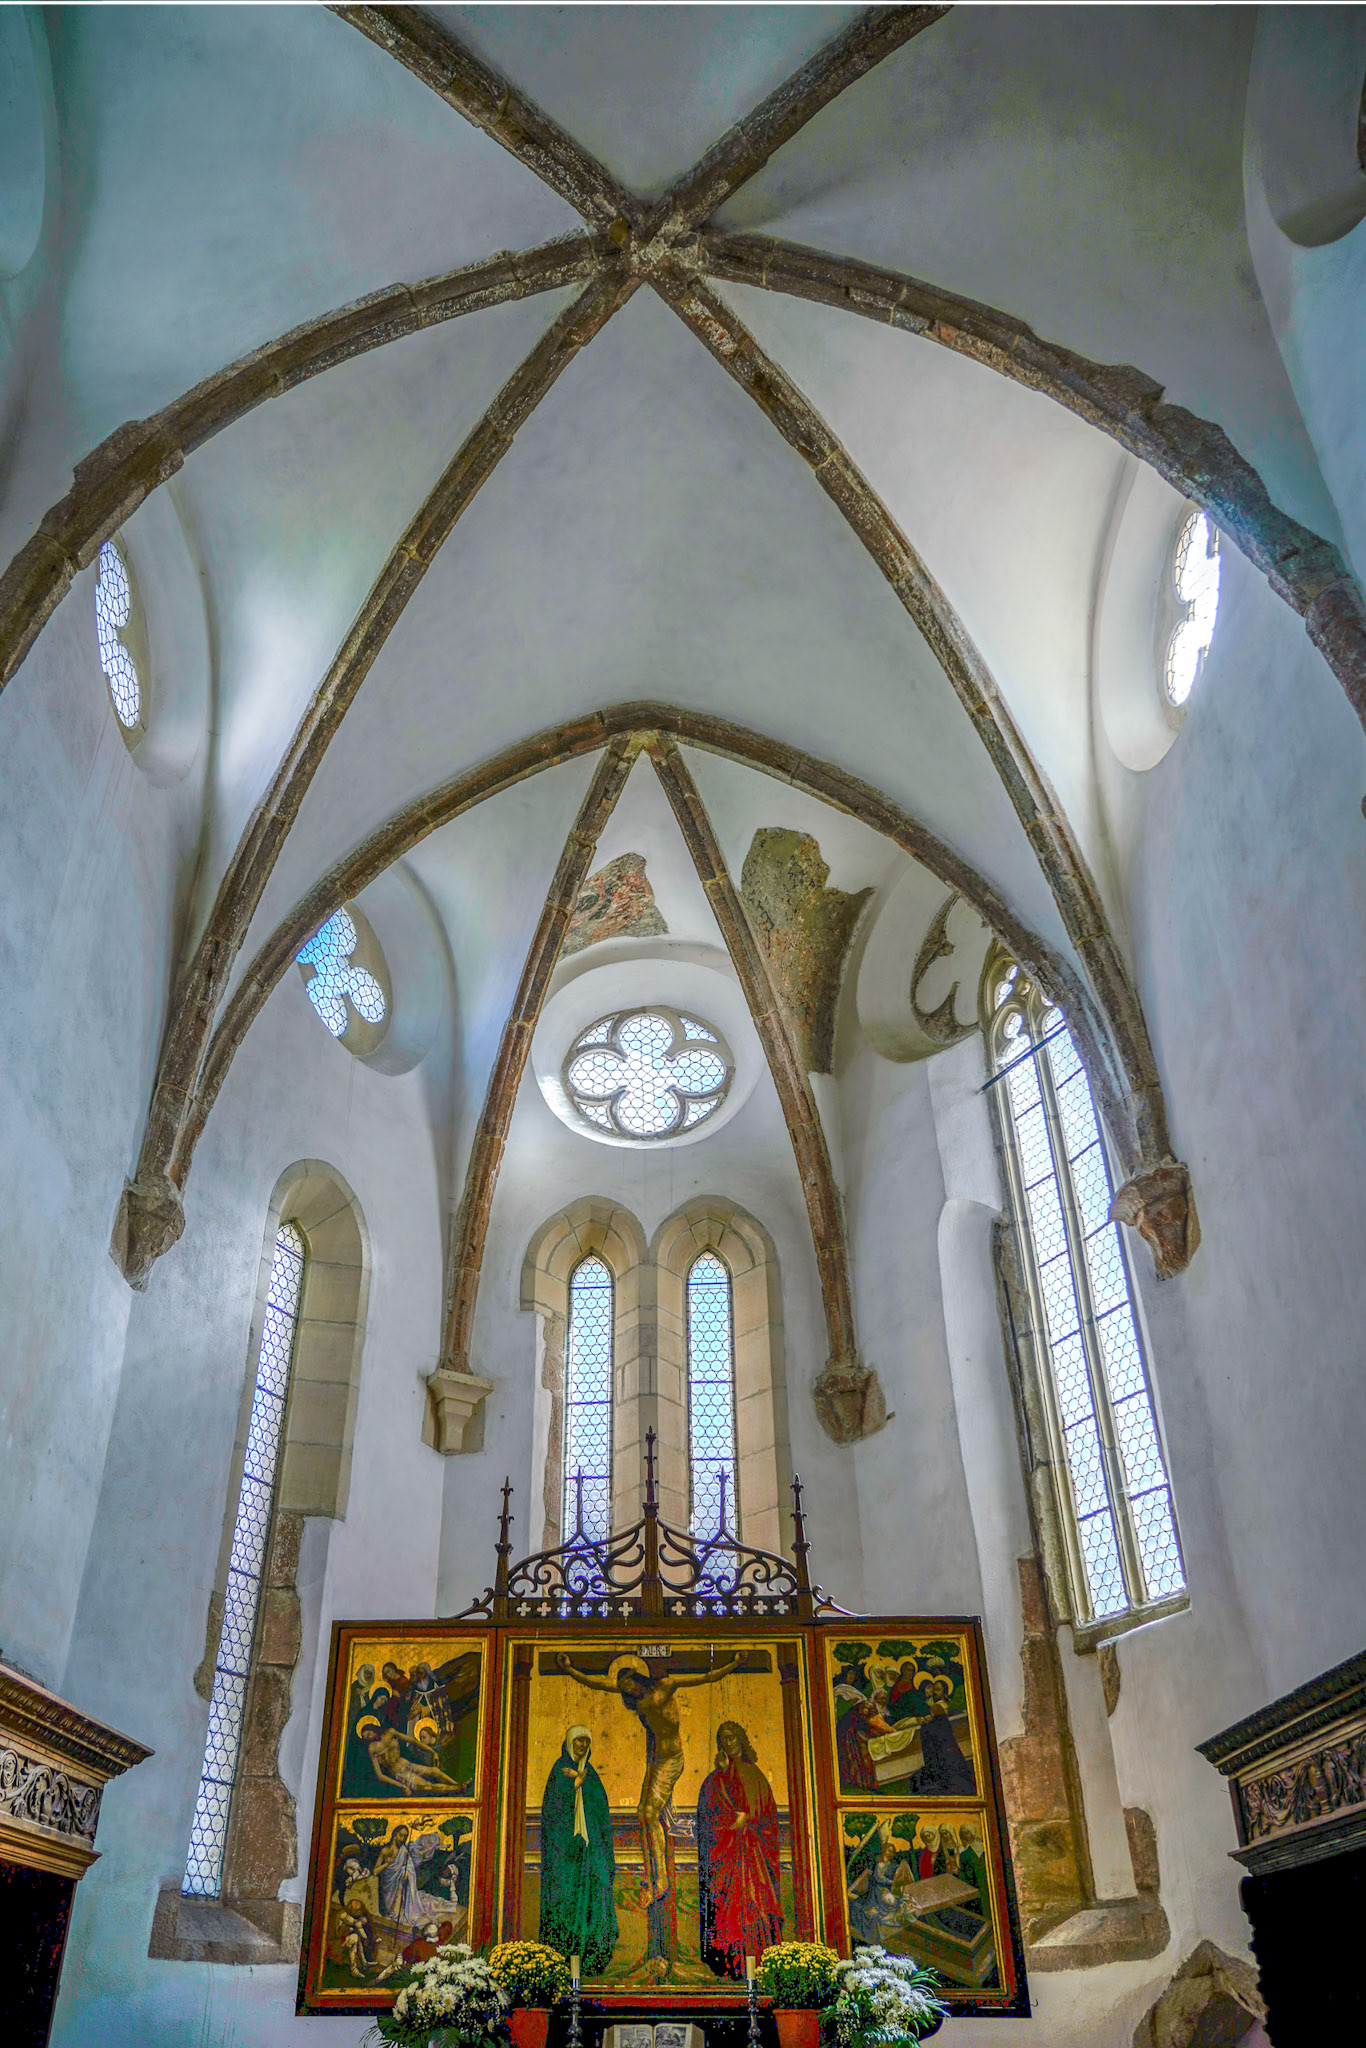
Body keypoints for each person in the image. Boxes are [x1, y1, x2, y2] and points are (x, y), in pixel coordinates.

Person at [557, 1650, 743, 1968]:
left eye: (631, 1683)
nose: (629, 1690)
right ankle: (655, 1875)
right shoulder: (635, 1697)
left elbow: (703, 1677)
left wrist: (732, 1666)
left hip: (672, 1760)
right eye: (626, 1688)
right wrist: (571, 1670)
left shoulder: (665, 1686)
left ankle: (661, 1882)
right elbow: (600, 1684)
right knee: (642, 1814)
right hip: (659, 1761)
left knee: (649, 1815)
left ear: (640, 1678)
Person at [696, 1720, 783, 1979]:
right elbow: (708, 1818)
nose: (729, 1742)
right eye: (723, 1738)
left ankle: (758, 1961)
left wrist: (747, 1820)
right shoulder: (715, 1779)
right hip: (727, 1857)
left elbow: (764, 1813)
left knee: (754, 1904)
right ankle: (732, 1963)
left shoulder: (754, 1774)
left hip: (752, 1856)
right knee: (728, 1909)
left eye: (733, 1736)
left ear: (741, 1739)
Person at [538, 1725, 618, 1978]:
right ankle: (563, 1958)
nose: (582, 1746)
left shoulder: (591, 1774)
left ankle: (592, 1957)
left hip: (590, 1852)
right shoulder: (559, 1770)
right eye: (578, 1741)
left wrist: (584, 1783)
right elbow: (553, 1811)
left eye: (585, 1742)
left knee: (596, 1895)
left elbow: (600, 1813)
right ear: (569, 1742)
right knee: (565, 1898)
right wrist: (573, 1785)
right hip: (566, 1854)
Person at [356, 1716, 465, 1795]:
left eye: (369, 1734)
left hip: (406, 1763)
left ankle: (458, 1784)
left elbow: (413, 1741)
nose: (369, 1738)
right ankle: (456, 1789)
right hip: (400, 1773)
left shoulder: (390, 1732)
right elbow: (380, 1776)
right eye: (366, 1738)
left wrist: (432, 1752)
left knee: (434, 1771)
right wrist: (401, 1786)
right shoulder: (372, 1748)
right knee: (427, 1786)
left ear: (373, 1729)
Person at [907, 1679, 976, 1797]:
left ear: (945, 1692)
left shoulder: (944, 1707)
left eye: (938, 1690)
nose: (934, 1692)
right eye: (933, 1689)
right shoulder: (930, 1707)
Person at [956, 1824, 992, 1920]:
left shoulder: (986, 1848)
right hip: (977, 1886)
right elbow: (965, 1874)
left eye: (967, 1833)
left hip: (989, 1884)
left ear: (972, 1833)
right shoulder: (964, 1854)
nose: (965, 1836)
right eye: (963, 1834)